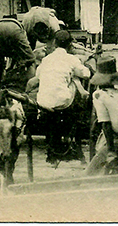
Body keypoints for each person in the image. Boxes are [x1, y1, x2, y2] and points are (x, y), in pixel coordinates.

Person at [34, 30, 91, 164]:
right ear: (70, 45)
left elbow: (37, 75)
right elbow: (86, 74)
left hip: (43, 102)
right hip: (62, 102)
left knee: (62, 80)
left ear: (54, 43)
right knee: (74, 80)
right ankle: (74, 127)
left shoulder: (46, 59)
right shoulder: (71, 59)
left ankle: (54, 148)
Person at [86, 56, 118, 175]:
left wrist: (110, 150)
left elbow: (106, 125)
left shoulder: (98, 95)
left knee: (91, 170)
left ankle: (99, 167)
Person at [0, 6, 61, 91]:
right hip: (13, 29)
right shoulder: (53, 24)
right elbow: (30, 53)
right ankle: (29, 87)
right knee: (30, 60)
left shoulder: (32, 21)